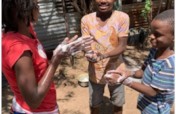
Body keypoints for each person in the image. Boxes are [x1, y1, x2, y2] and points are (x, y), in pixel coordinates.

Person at [2, 0, 92, 113]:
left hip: (44, 107)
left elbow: (36, 63)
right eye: (36, 5)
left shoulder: (26, 30)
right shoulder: (18, 48)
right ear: (23, 11)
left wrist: (60, 51)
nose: (38, 9)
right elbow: (34, 101)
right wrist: (56, 60)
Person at [105, 9, 175, 114]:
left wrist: (124, 81)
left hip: (156, 110)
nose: (151, 36)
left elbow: (152, 92)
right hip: (146, 105)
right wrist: (128, 73)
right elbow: (142, 71)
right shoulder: (154, 51)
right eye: (152, 32)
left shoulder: (169, 65)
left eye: (158, 34)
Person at [81, 0, 130, 114]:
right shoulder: (86, 20)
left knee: (118, 104)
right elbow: (86, 44)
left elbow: (122, 46)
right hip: (95, 72)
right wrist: (89, 53)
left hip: (117, 70)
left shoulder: (122, 17)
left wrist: (103, 55)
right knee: (94, 105)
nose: (103, 1)